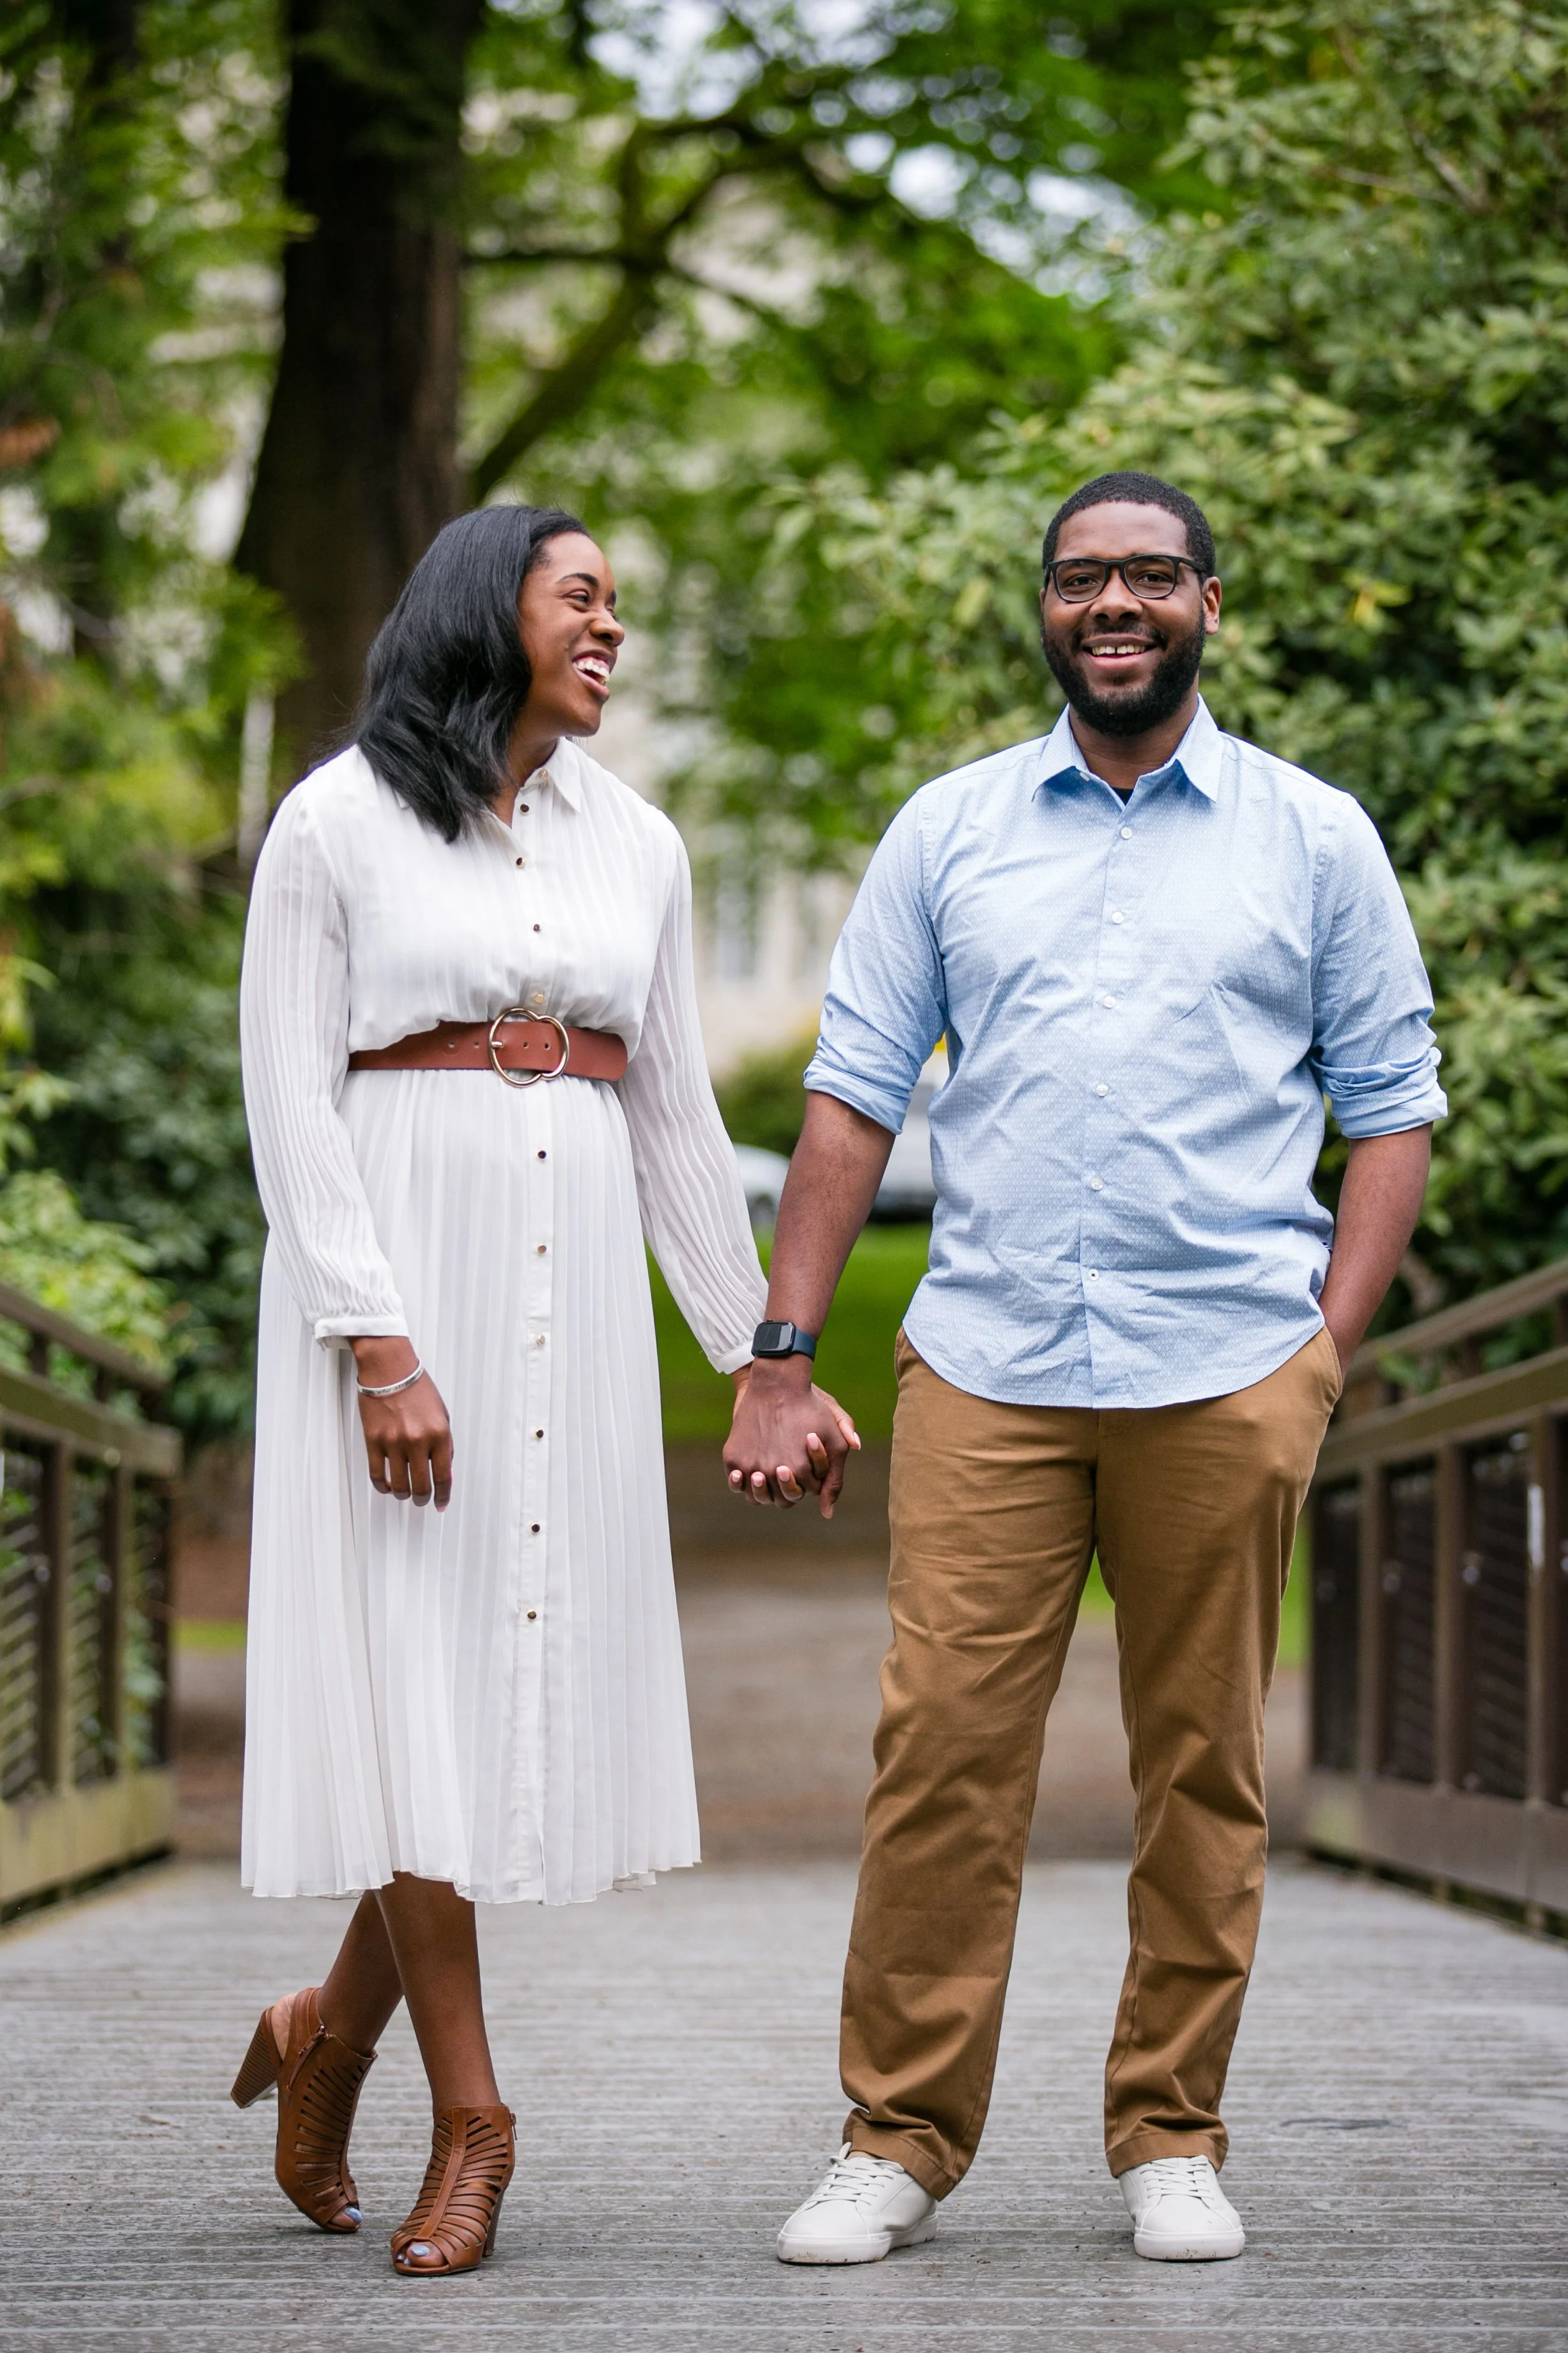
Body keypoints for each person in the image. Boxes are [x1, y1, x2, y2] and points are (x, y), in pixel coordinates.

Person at [726, 470, 1443, 2266]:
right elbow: (849, 1097)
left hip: (1224, 1365)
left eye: (1144, 577)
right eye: (1076, 580)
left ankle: (1170, 2131)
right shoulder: (951, 830)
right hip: (990, 1362)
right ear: (1043, 610)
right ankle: (894, 2137)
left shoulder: (1309, 837)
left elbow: (1393, 1110)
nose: (1108, 604)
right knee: (940, 1758)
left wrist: (1321, 1352)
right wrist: (778, 1352)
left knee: (1202, 1763)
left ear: (1208, 601)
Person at [231, 504, 850, 2276]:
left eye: (616, 608)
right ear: (480, 608)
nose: (614, 632)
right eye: (583, 598)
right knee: (415, 1683)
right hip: (396, 1281)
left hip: (564, 1298)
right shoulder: (334, 826)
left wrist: (760, 1359)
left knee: (481, 1693)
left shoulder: (637, 844)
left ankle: (324, 2029)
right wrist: (377, 1345)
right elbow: (290, 1101)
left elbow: (668, 1122)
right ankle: (475, 2120)